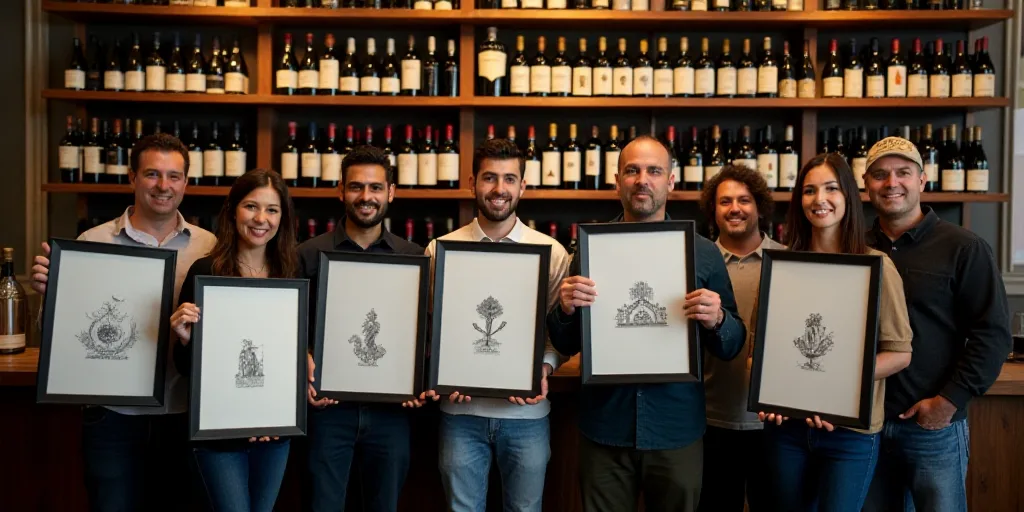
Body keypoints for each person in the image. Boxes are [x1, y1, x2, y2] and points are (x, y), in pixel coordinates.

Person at [546, 135, 747, 512]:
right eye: (632, 170)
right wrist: (565, 310)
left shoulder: (703, 252)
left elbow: (732, 344)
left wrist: (718, 318)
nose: (643, 179)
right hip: (605, 428)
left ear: (670, 181)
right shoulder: (590, 250)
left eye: (654, 171)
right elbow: (567, 342)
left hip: (676, 430)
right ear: (617, 180)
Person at [29, 133, 217, 511]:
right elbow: (57, 336)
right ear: (132, 177)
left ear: (186, 183)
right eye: (152, 174)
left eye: (174, 176)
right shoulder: (92, 242)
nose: (163, 186)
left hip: (184, 415)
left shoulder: (211, 246)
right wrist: (51, 296)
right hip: (113, 417)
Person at [756, 153, 913, 512]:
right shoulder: (780, 265)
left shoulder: (877, 266)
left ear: (848, 196)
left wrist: (833, 388)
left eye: (831, 188)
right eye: (809, 191)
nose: (819, 199)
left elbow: (900, 354)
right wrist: (768, 396)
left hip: (850, 435)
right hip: (787, 431)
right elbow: (758, 354)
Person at [861, 137, 1011, 512]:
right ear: (866, 185)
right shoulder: (855, 247)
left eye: (903, 173)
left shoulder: (963, 247)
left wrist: (948, 403)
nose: (891, 182)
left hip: (932, 426)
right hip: (866, 425)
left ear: (923, 181)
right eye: (879, 175)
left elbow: (991, 335)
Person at [421, 139, 570, 512]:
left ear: (523, 185)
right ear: (473, 182)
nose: (499, 189)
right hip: (460, 416)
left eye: (509, 178)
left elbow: (560, 333)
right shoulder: (439, 250)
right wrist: (441, 372)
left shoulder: (551, 253)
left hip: (527, 416)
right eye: (489, 177)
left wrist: (545, 366)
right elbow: (428, 331)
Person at [297, 145, 425, 512]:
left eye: (375, 188)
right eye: (355, 187)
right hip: (326, 411)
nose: (365, 197)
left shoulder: (415, 258)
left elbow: (425, 333)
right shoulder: (307, 254)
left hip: (392, 413)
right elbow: (293, 330)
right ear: (341, 191)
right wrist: (304, 360)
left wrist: (419, 377)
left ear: (391, 192)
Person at [169, 169, 299, 512]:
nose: (261, 219)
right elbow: (184, 369)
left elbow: (295, 356)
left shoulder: (293, 274)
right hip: (219, 431)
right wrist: (184, 338)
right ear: (233, 211)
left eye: (272, 210)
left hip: (274, 432)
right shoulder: (205, 272)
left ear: (282, 218)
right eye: (251, 206)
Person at [696, 164, 783, 512]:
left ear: (760, 206)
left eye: (744, 200)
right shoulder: (697, 264)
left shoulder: (789, 260)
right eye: (725, 201)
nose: (735, 208)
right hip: (710, 418)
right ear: (713, 212)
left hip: (775, 423)